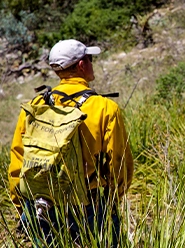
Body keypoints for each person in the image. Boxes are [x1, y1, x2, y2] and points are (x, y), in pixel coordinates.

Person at [8, 39, 134, 247]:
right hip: (89, 204)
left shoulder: (34, 107)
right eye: (90, 59)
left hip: (41, 205)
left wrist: (23, 208)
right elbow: (119, 164)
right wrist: (113, 200)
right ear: (82, 65)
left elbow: (17, 163)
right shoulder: (105, 108)